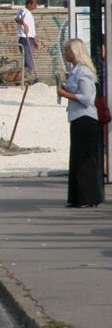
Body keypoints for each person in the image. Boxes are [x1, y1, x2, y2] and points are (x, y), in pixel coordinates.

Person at [56, 39, 103, 208]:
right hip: (77, 118)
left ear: (75, 52)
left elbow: (87, 98)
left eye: (68, 51)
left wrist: (65, 93)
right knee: (77, 157)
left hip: (85, 118)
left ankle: (87, 197)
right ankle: (77, 197)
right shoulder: (74, 70)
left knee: (85, 159)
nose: (66, 54)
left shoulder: (83, 71)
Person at [14, 0, 39, 81]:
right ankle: (27, 78)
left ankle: (24, 78)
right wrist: (23, 24)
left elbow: (32, 29)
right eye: (34, 5)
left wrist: (35, 39)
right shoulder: (23, 11)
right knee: (29, 62)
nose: (36, 7)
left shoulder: (30, 14)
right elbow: (17, 18)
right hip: (25, 39)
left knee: (28, 60)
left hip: (30, 38)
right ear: (29, 4)